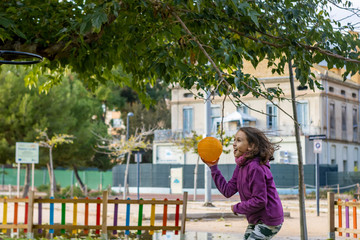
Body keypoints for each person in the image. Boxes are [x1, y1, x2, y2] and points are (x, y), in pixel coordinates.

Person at [205, 127, 284, 239]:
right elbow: (228, 191)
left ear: (251, 146)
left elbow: (260, 200)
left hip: (269, 219)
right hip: (256, 218)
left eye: (239, 140)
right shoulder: (241, 166)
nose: (234, 144)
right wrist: (213, 168)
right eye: (234, 140)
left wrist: (238, 207)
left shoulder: (255, 168)